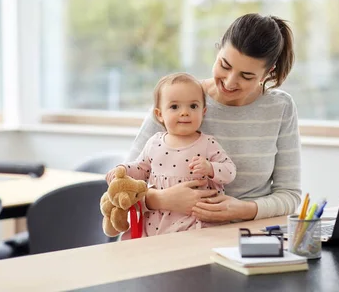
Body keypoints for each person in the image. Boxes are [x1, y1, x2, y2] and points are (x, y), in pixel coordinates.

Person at [108, 12, 301, 233]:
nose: (230, 82)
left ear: (269, 72)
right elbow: (120, 190)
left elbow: (290, 195)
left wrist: (245, 209)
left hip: (251, 237)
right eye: (225, 65)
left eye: (246, 76)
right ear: (218, 50)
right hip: (177, 236)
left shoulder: (281, 107)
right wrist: (161, 199)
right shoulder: (179, 101)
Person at [106, 72, 236, 236]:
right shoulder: (154, 143)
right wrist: (123, 170)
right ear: (159, 114)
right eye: (175, 107)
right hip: (157, 225)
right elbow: (141, 168)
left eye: (193, 106)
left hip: (197, 224)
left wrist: (210, 168)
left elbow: (230, 171)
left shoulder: (207, 143)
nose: (185, 112)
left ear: (203, 112)